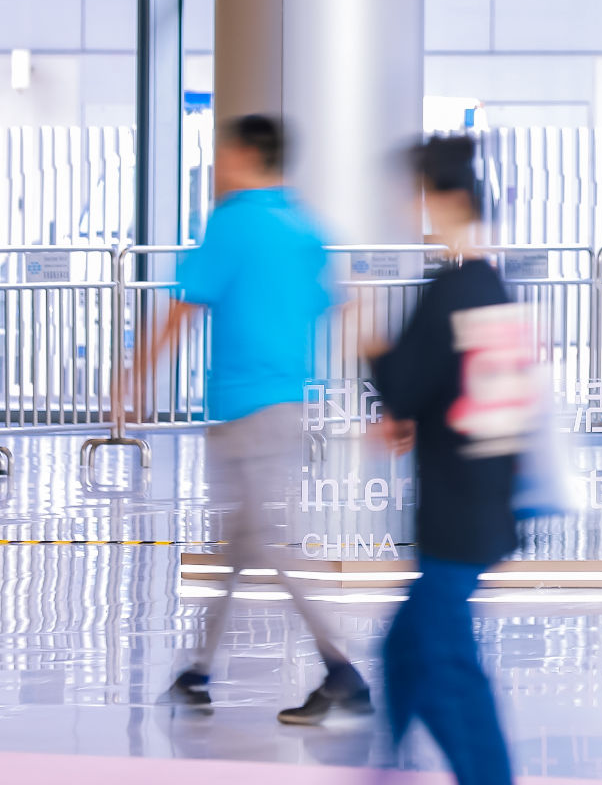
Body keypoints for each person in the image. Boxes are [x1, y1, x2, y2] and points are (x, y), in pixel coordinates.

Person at [149, 114, 369, 723]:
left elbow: (182, 311)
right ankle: (196, 672)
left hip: (242, 409)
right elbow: (343, 308)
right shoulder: (305, 228)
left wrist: (135, 375)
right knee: (241, 544)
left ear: (246, 154)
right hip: (291, 402)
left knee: (269, 542)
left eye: (223, 153)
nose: (219, 164)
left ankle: (342, 671)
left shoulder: (231, 221)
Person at [366, 136, 528, 785]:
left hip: (456, 513)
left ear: (445, 200)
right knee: (406, 650)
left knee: (443, 664)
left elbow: (403, 386)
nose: (411, 209)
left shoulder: (450, 291)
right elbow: (449, 393)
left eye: (418, 196)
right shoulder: (487, 285)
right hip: (483, 499)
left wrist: (366, 340)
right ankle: (387, 766)